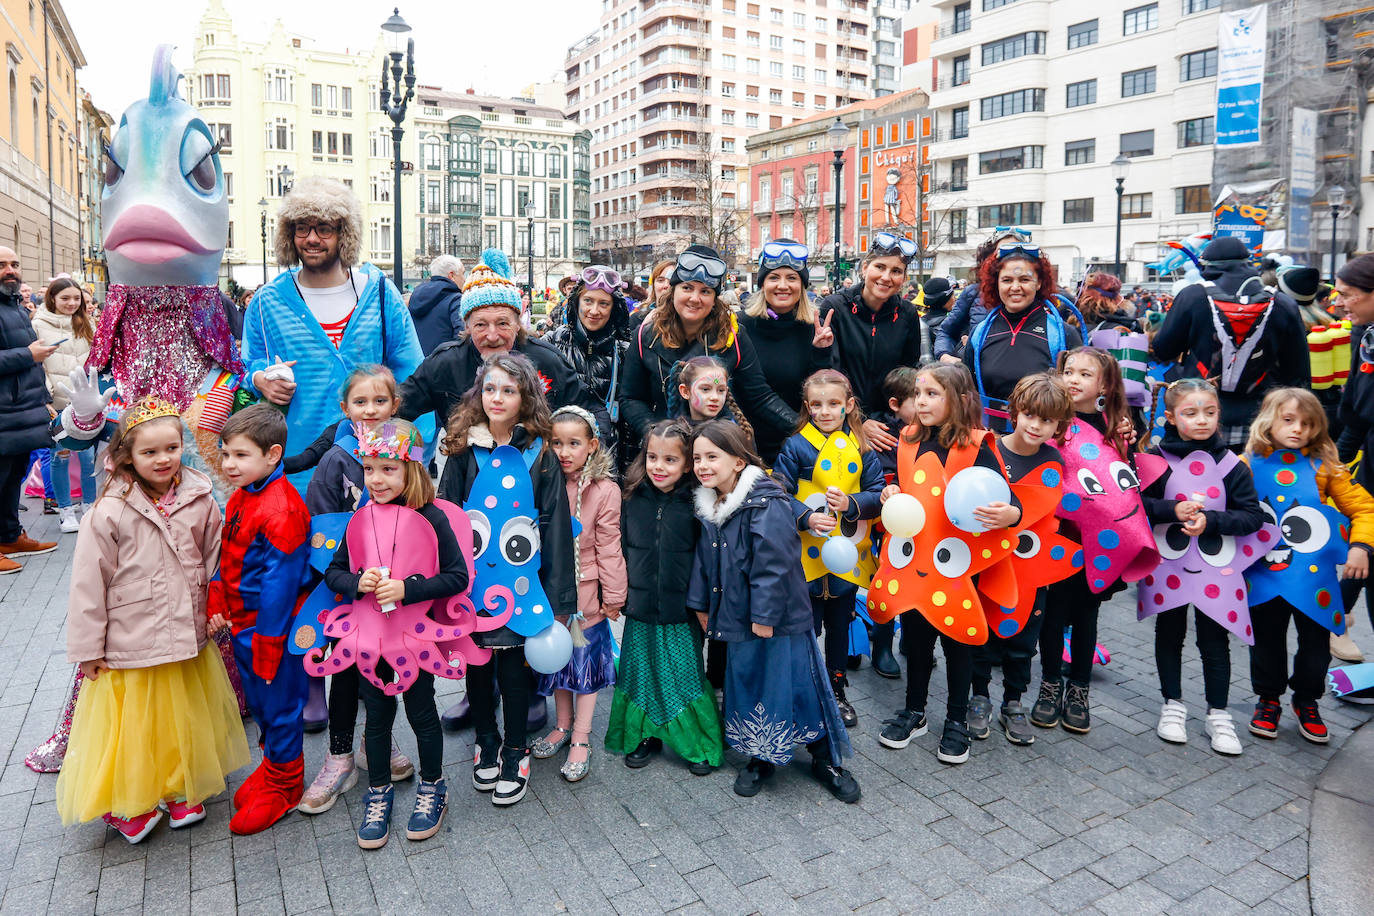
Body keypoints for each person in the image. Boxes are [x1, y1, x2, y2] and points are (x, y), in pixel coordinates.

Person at [57, 398, 249, 842]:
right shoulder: (107, 511)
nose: (163, 459)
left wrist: (215, 607)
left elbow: (213, 559)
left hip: (185, 633)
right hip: (132, 639)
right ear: (127, 456)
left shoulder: (200, 496)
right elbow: (88, 585)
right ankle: (129, 802)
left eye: (172, 448)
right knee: (136, 726)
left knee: (181, 716)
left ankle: (179, 784)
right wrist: (88, 649)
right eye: (149, 452)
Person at [687, 420, 860, 802]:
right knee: (750, 684)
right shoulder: (711, 504)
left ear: (737, 460)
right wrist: (701, 605)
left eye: (712, 456)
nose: (702, 464)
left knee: (795, 684)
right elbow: (704, 561)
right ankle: (761, 755)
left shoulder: (768, 501)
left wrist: (764, 616)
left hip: (777, 620)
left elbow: (775, 564)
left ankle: (823, 758)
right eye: (697, 457)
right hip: (736, 617)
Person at [439, 353, 576, 806]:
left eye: (509, 390)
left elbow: (555, 525)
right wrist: (445, 583)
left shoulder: (539, 452)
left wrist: (561, 599)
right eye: (491, 388)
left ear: (526, 397)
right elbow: (447, 516)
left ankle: (516, 749)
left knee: (514, 673)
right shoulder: (462, 449)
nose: (497, 398)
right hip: (472, 584)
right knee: (477, 669)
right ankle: (487, 740)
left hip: (522, 584)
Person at [322, 419, 466, 849]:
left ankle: (433, 786)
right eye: (368, 469)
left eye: (387, 469)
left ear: (411, 470)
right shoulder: (359, 519)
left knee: (422, 713)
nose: (376, 479)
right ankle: (379, 791)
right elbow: (334, 572)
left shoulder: (433, 517)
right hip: (371, 639)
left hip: (413, 638)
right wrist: (356, 583)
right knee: (378, 716)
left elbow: (457, 577)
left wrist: (409, 589)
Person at [873, 365, 1021, 765]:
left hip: (955, 568)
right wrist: (891, 491)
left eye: (932, 394)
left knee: (959, 647)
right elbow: (905, 489)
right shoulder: (907, 440)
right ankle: (915, 710)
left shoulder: (977, 446)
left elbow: (1010, 502)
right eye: (918, 394)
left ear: (957, 399)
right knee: (917, 642)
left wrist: (1009, 514)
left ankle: (956, 720)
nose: (921, 402)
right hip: (916, 564)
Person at [240, 176, 425, 492]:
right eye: (302, 228)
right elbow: (247, 365)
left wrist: (414, 460)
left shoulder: (380, 294)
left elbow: (415, 380)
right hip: (295, 473)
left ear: (344, 233)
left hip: (375, 475)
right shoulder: (265, 302)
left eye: (324, 228)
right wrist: (259, 379)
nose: (311, 239)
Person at [297, 365, 415, 815]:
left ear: (394, 406)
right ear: (344, 408)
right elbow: (323, 531)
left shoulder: (406, 452)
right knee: (344, 674)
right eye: (360, 402)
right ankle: (339, 757)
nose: (370, 410)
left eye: (379, 402)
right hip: (347, 589)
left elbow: (417, 521)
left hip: (391, 593)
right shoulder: (335, 460)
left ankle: (373, 743)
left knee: (386, 671)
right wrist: (346, 578)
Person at [1140, 379, 1267, 756]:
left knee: (1215, 640)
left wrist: (1212, 522)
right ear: (1170, 417)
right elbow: (1139, 505)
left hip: (1216, 571)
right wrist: (1171, 510)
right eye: (1191, 413)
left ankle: (1219, 714)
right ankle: (1173, 704)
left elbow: (1252, 517)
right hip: (1171, 567)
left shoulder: (1232, 465)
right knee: (1170, 632)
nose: (1202, 421)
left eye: (1210, 413)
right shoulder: (1156, 461)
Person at [1245, 388, 1374, 744]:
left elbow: (1364, 508)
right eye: (1288, 420)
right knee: (1267, 641)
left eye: (1307, 423)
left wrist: (1361, 546)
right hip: (1264, 574)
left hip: (1313, 580)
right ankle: (1268, 699)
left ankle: (1307, 700)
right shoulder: (1246, 463)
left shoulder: (1326, 467)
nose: (1298, 429)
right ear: (1268, 420)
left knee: (1316, 646)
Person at [211, 405, 312, 834]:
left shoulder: (281, 509)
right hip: (244, 626)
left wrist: (270, 645)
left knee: (280, 706)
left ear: (272, 455)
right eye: (225, 454)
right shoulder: (244, 494)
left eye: (240, 455)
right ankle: (274, 767)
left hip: (272, 631)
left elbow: (279, 587)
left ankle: (287, 785)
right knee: (260, 704)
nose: (229, 465)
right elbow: (227, 552)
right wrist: (216, 595)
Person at [1032, 348, 1143, 733]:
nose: (1074, 379)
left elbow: (1126, 482)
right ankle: (1049, 686)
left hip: (1099, 542)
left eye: (1085, 373)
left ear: (1104, 384)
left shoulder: (1117, 427)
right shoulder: (1052, 420)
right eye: (1069, 371)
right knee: (1052, 615)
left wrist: (1129, 438)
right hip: (1057, 537)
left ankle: (1078, 689)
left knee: (1086, 617)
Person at [605, 419, 724, 772]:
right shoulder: (630, 496)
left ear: (688, 463)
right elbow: (618, 548)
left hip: (682, 610)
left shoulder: (698, 503)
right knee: (640, 672)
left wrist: (703, 605)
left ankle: (697, 742)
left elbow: (708, 560)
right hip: (640, 608)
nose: (659, 466)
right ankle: (645, 735)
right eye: (652, 457)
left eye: (670, 460)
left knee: (684, 674)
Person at [773, 369, 883, 726]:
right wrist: (805, 516)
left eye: (833, 404)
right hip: (804, 556)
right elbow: (778, 493)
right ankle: (803, 687)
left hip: (847, 557)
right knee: (804, 626)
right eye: (817, 405)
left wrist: (851, 502)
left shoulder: (862, 447)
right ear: (807, 407)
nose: (825, 411)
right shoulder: (796, 445)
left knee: (840, 624)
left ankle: (837, 688)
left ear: (848, 405)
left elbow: (877, 494)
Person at [969, 374, 1073, 747]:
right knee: (981, 630)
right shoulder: (989, 450)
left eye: (1046, 420)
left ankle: (1013, 702)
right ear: (1014, 412)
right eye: (1029, 415)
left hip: (1031, 569)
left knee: (1024, 639)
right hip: (987, 563)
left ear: (1058, 425)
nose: (1035, 425)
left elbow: (1045, 512)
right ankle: (979, 697)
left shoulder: (1053, 460)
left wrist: (1015, 516)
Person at [620, 245, 797, 448]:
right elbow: (631, 398)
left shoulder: (733, 337)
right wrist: (655, 434)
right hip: (666, 454)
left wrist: (810, 433)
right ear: (673, 291)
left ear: (714, 299)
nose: (695, 298)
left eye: (705, 291)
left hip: (716, 452)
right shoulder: (646, 335)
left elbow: (760, 397)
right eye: (687, 288)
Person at [532, 406, 626, 782]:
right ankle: (562, 725)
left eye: (573, 443)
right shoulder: (542, 481)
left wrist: (614, 595)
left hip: (586, 595)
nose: (564, 452)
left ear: (592, 445)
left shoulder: (605, 491)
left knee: (584, 668)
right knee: (558, 663)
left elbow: (609, 546)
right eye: (556, 443)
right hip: (548, 591)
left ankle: (582, 738)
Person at [1151, 236, 1310, 447]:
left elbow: (1163, 349)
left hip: (1198, 413)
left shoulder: (1192, 296)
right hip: (1261, 415)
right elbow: (1298, 373)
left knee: (1194, 473)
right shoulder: (1282, 303)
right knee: (1250, 477)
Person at [817, 232, 925, 445]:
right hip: (842, 421)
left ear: (903, 279)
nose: (886, 277)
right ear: (865, 268)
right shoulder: (836, 307)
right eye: (880, 267)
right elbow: (833, 372)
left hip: (888, 423)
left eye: (896, 271)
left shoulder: (907, 314)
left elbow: (907, 371)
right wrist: (859, 421)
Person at [964, 243, 1082, 431]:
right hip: (990, 441)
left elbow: (1083, 395)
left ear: (1039, 283)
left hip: (1043, 444)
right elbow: (967, 389)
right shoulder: (981, 332)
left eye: (1025, 280)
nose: (1015, 287)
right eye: (1007, 280)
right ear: (996, 283)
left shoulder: (1063, 334)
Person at [737, 240, 836, 461]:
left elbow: (818, 392)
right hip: (751, 446)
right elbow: (754, 393)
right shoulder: (741, 325)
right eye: (774, 277)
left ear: (802, 285)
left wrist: (822, 352)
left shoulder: (814, 326)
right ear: (762, 284)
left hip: (800, 448)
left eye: (792, 278)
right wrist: (806, 433)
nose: (783, 285)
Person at [0, 245, 58, 574]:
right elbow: (25, 355)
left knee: (12, 480)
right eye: (2, 265)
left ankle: (9, 536)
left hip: (20, 412)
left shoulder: (17, 307)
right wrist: (28, 356)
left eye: (14, 264)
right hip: (4, 414)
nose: (10, 270)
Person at [31, 278, 98, 533]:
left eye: (76, 298)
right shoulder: (37, 324)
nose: (71, 303)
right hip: (56, 402)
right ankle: (66, 511)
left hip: (85, 402)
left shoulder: (87, 323)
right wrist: (46, 396)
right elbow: (36, 365)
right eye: (65, 298)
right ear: (52, 299)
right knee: (59, 456)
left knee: (88, 457)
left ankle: (90, 508)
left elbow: (96, 360)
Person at [545, 266, 632, 459]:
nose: (594, 311)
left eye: (604, 304)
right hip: (558, 457)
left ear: (614, 308)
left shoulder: (625, 352)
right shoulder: (552, 343)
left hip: (607, 458)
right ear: (576, 303)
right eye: (588, 301)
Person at [933, 229, 1031, 361]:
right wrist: (947, 357)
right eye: (1002, 252)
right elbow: (946, 331)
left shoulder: (1037, 298)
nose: (1010, 259)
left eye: (1017, 252)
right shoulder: (973, 293)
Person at [407, 255, 465, 356]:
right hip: (443, 365)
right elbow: (461, 336)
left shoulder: (415, 297)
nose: (464, 279)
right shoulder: (455, 299)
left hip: (418, 364)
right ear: (451, 275)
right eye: (463, 274)